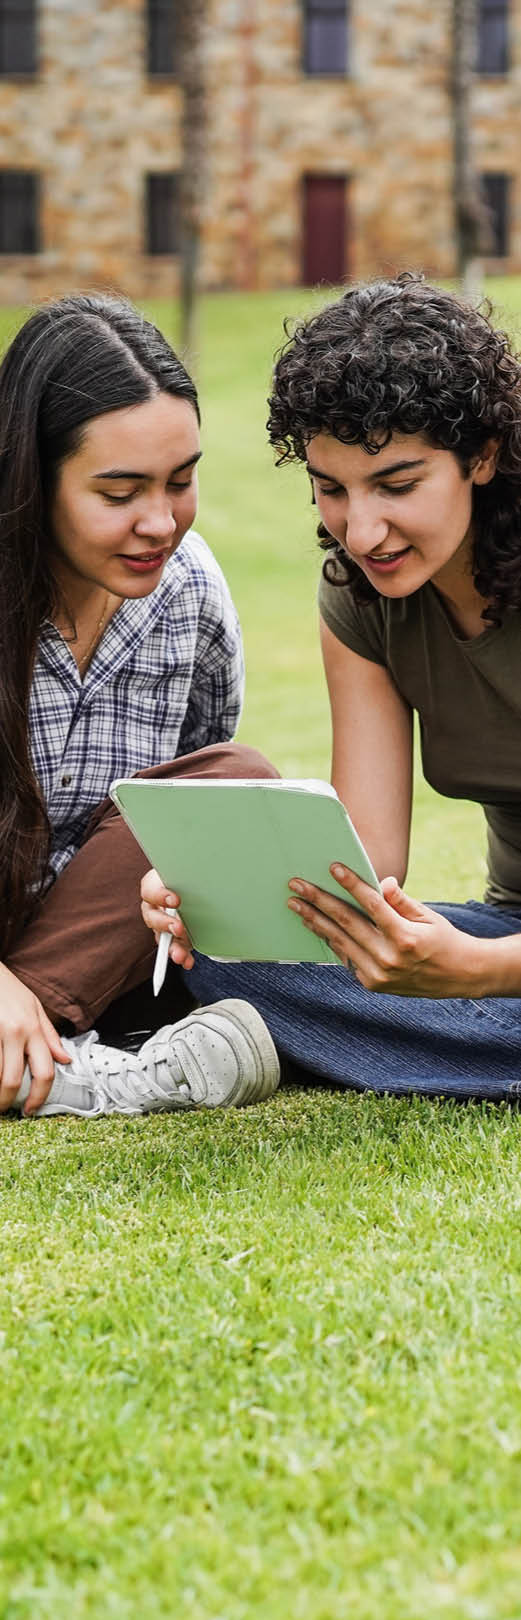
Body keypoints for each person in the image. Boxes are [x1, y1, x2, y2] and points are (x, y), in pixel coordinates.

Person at [142, 272, 521, 1100]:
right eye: (331, 487)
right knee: (221, 963)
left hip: (504, 960)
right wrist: (209, 894)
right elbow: (366, 866)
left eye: (395, 485)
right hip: (506, 935)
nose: (362, 530)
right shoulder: (361, 595)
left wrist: (482, 973)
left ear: (481, 455)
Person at [1, 292, 280, 1120]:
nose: (161, 522)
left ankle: (42, 1049)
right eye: (119, 492)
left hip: (83, 951)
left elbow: (177, 816)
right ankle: (82, 1073)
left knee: (233, 782)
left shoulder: (188, 589)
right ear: (31, 478)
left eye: (181, 482)